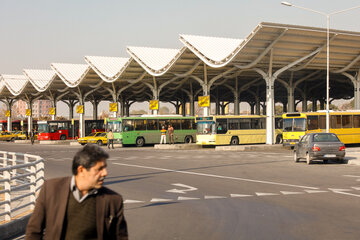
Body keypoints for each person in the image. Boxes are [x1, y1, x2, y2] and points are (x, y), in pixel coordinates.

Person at [25, 144, 128, 240]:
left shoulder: (113, 200)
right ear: (81, 170)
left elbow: (120, 237)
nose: (105, 173)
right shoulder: (51, 189)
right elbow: (34, 231)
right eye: (99, 169)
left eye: (105, 168)